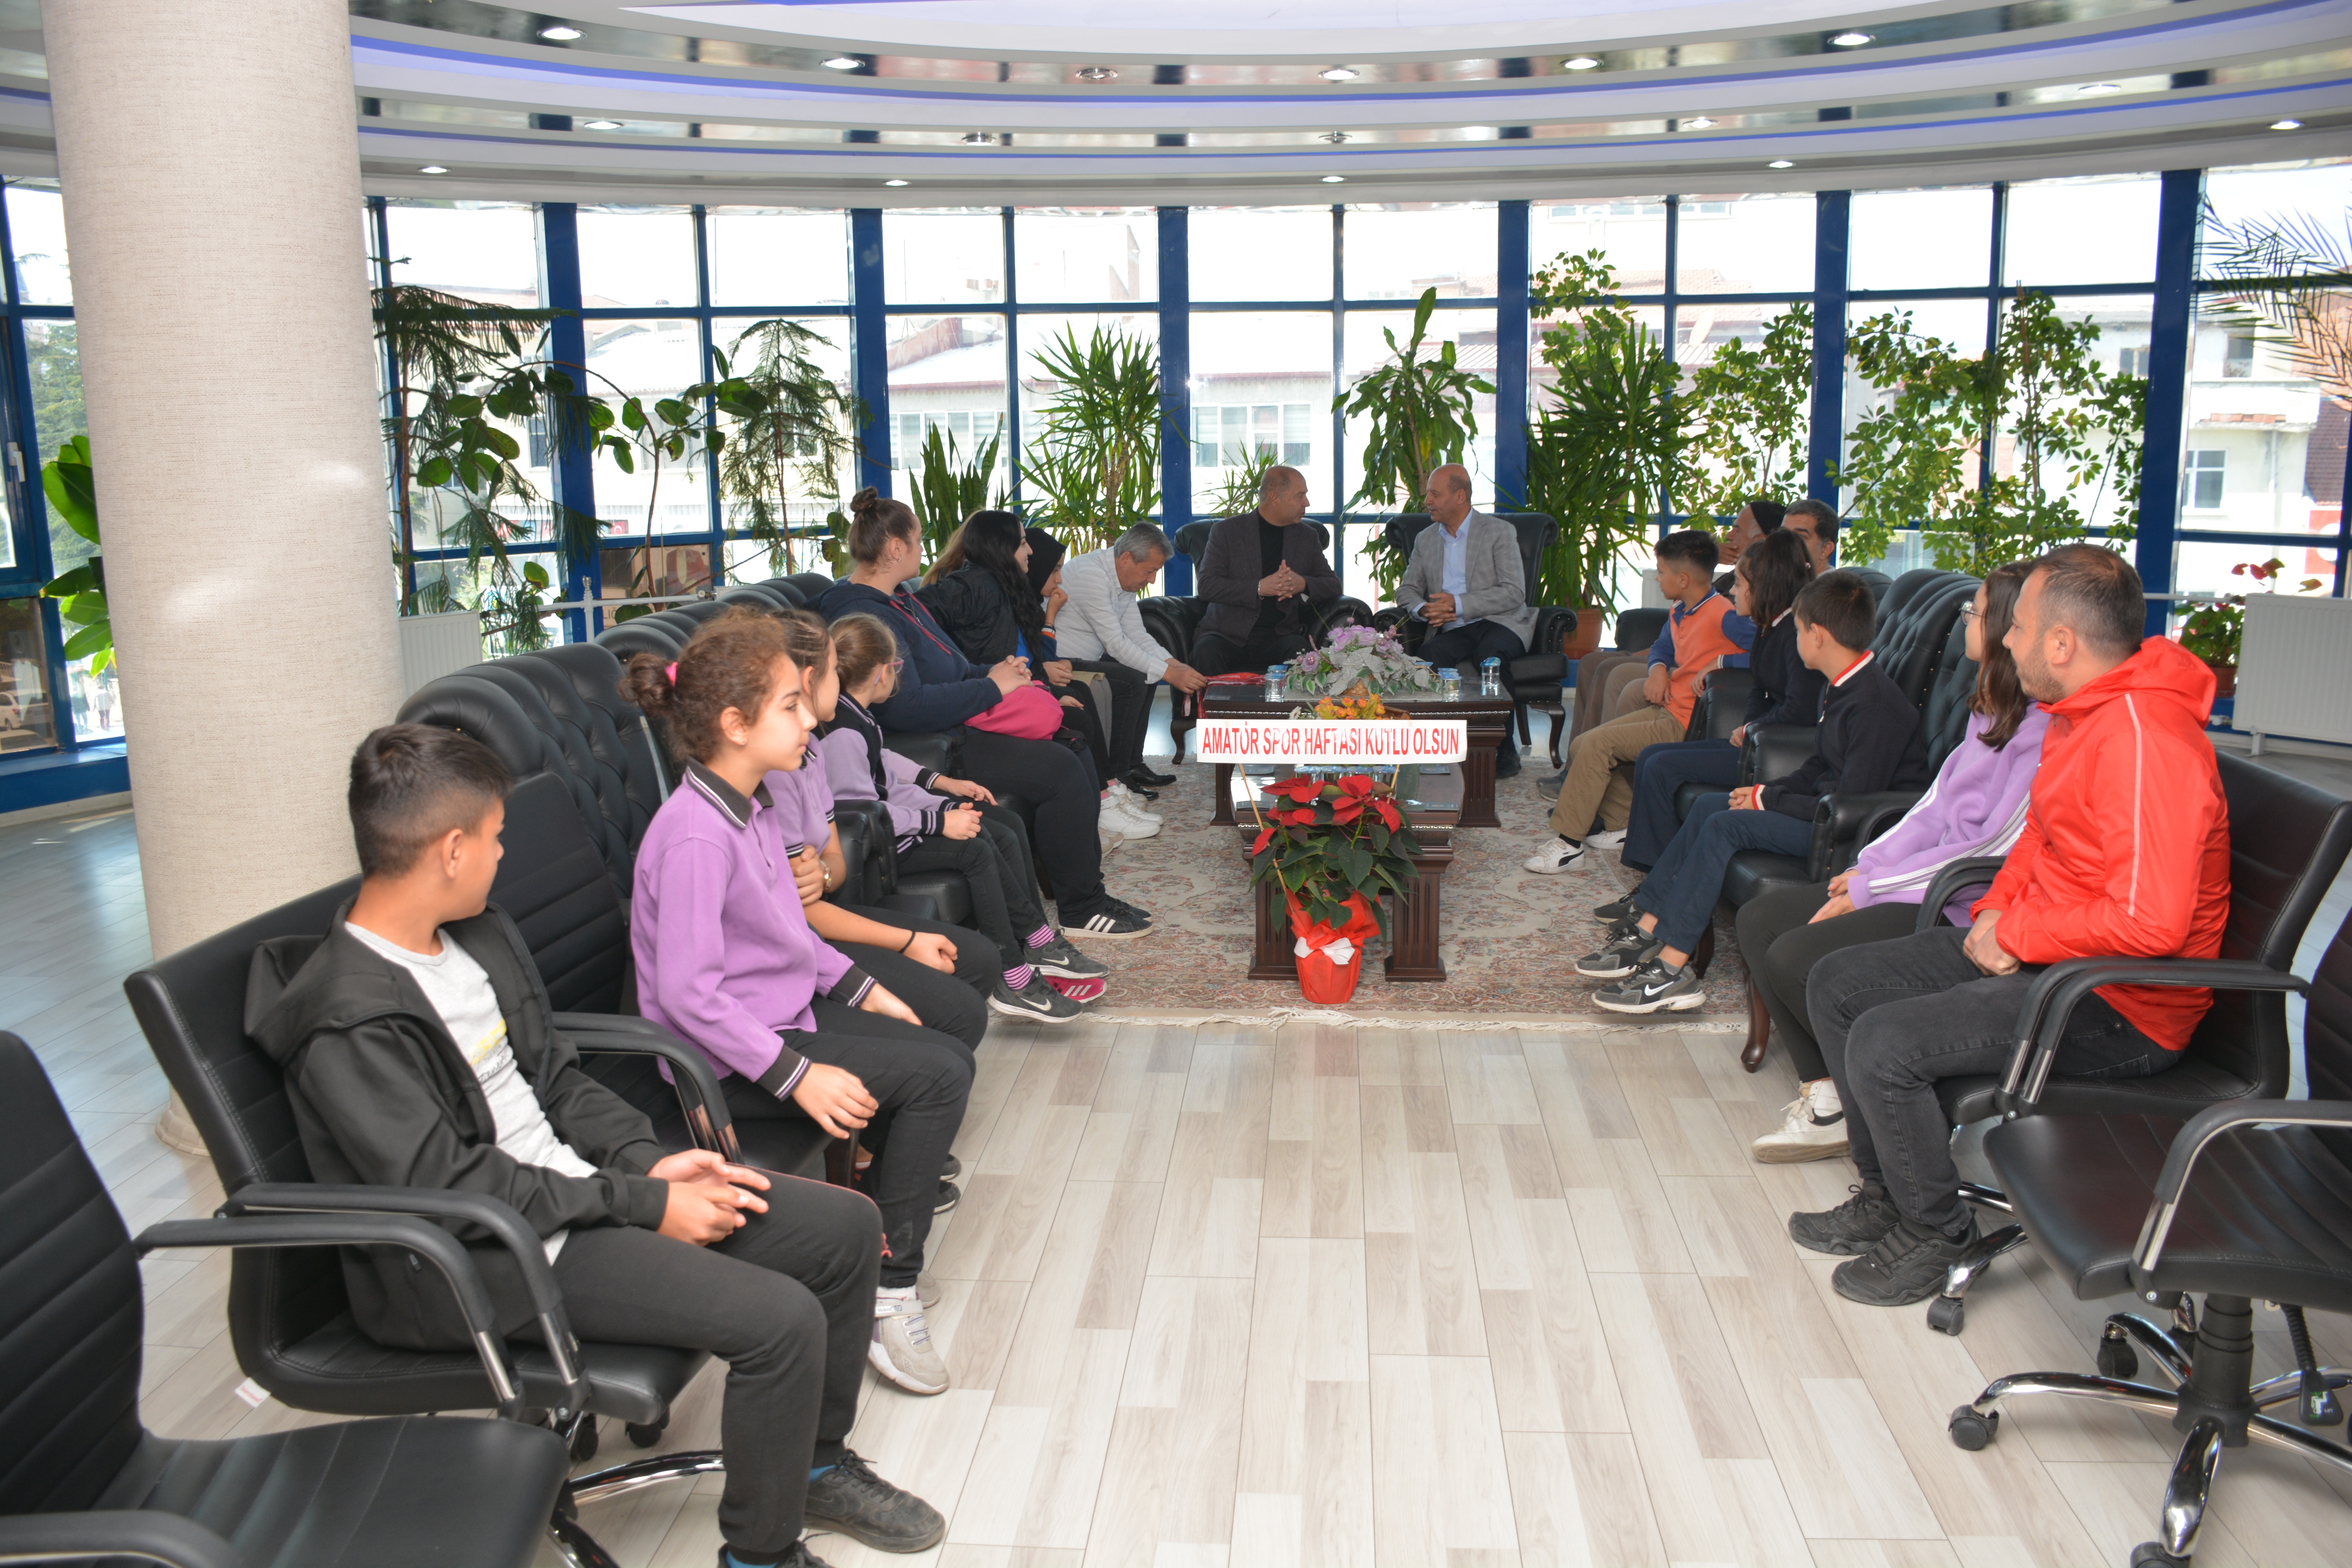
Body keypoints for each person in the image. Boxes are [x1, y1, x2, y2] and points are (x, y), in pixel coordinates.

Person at [250, 723, 945, 1568]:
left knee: (843, 1230)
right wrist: (647, 1204)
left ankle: (816, 1469)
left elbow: (557, 1076)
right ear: (451, 850)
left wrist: (648, 1160)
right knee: (779, 1320)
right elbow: (452, 1184)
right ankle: (762, 1557)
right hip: (474, 1257)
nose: (503, 854)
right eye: (496, 837)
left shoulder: (474, 932)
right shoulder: (347, 1017)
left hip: (570, 1194)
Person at [1788, 545, 2229, 1308]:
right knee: (1836, 982)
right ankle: (1889, 1195)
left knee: (1886, 1042)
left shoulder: (2143, 739)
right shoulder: (2082, 713)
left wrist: (2018, 936)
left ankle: (1936, 1231)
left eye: (2018, 627)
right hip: (2053, 954)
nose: (2008, 641)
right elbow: (2039, 840)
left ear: (2061, 643)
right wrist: (1997, 909)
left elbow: (2149, 923)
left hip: (2120, 1001)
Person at [625, 609, 976, 1397]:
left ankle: (877, 1252)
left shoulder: (746, 806)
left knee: (945, 1049)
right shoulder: (695, 836)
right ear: (735, 725)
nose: (808, 720)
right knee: (940, 1077)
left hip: (778, 1021)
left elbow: (791, 933)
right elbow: (686, 994)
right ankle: (889, 1286)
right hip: (727, 1060)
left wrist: (866, 988)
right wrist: (797, 1075)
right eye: (790, 705)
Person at [1737, 562, 2044, 1163]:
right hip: (1917, 881)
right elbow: (1932, 808)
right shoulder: (1988, 709)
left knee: (1796, 956)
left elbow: (1987, 852)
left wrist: (1873, 887)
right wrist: (1867, 868)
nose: (1969, 620)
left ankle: (1859, 1102)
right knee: (1760, 922)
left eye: (1977, 612)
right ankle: (1828, 1094)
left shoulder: (2043, 731)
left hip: (1958, 902)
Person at [1580, 569, 1932, 1014]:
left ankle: (1672, 971)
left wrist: (1769, 801)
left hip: (1850, 832)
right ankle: (1648, 927)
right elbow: (1820, 766)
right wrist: (1765, 790)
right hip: (1825, 810)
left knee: (1725, 826)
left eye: (1799, 630)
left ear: (1818, 635)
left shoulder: (1875, 705)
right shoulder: (1842, 685)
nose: (1795, 638)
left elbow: (1849, 800)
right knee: (1711, 805)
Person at [813, 490, 1154, 938]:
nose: (923, 548)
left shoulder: (899, 601)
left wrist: (999, 673)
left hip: (957, 723)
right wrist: (992, 686)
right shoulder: (862, 612)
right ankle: (1081, 909)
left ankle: (1087, 893)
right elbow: (904, 706)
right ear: (895, 547)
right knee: (1061, 769)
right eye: (917, 539)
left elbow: (951, 667)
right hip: (930, 744)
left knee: (1072, 741)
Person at [819, 612, 1110, 1025]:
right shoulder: (845, 732)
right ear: (883, 672)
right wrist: (939, 821)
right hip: (881, 847)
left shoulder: (857, 714)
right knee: (976, 848)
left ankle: (1040, 941)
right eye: (898, 667)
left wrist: (942, 789)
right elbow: (866, 813)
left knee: (1002, 827)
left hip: (894, 828)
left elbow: (883, 765)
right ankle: (1013, 977)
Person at [1524, 528, 1749, 873]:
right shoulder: (1681, 608)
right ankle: (1622, 826)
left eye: (1662, 571)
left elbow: (1770, 652)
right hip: (1668, 710)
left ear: (1684, 579)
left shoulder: (1724, 614)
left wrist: (1721, 662)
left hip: (1690, 723)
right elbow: (1662, 647)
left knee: (1598, 746)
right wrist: (1658, 671)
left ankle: (1568, 846)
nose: (1658, 578)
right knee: (1584, 743)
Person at [1612, 529, 1820, 876]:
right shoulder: (1768, 629)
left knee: (1662, 765)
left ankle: (1661, 875)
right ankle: (1653, 870)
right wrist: (1748, 723)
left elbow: (1800, 709)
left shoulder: (1795, 637)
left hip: (1779, 752)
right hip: (1757, 741)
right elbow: (1760, 690)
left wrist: (1754, 729)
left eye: (1738, 584)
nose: (1732, 592)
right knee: (1650, 757)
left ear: (1762, 586)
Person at [914, 511, 1142, 828]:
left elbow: (1032, 658)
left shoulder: (1007, 587)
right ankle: (1102, 805)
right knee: (1076, 719)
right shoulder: (977, 583)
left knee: (1077, 708)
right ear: (1003, 547)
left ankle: (1101, 802)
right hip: (990, 701)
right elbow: (916, 610)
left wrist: (1049, 689)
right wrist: (953, 669)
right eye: (1023, 543)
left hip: (1014, 690)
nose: (1030, 550)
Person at [1396, 463, 1536, 780]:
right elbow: (1407, 589)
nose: (1427, 501)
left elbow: (1514, 592)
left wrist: (1458, 604)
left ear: (1460, 496)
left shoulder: (1499, 532)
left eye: (1435, 494)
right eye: (1428, 494)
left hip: (1500, 621)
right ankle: (1439, 747)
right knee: (1429, 657)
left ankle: (1505, 749)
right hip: (1452, 627)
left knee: (1490, 658)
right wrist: (1424, 610)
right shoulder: (1426, 539)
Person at [1053, 522, 1204, 795]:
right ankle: (1119, 774)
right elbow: (1116, 644)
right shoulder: (1092, 576)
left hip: (1088, 658)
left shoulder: (1122, 577)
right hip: (1061, 663)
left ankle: (1134, 764)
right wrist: (1170, 674)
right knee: (1135, 680)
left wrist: (1174, 665)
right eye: (1150, 571)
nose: (1152, 580)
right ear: (1126, 559)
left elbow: (1136, 634)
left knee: (1147, 673)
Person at [1191, 463, 1342, 677]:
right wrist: (1260, 587)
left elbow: (1333, 585)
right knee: (1206, 652)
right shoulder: (1227, 532)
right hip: (1226, 635)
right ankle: (1215, 702)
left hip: (1280, 636)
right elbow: (1207, 587)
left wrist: (1302, 584)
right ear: (1274, 498)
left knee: (1302, 655)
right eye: (1300, 496)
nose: (1307, 503)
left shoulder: (1307, 537)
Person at [1712, 498, 1786, 598]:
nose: (1729, 536)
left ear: (1759, 541)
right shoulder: (1735, 577)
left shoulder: (1767, 591)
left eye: (1738, 531)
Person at [1781, 498, 1840, 575]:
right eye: (1783, 534)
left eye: (1801, 537)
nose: (1787, 542)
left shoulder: (1836, 584)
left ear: (1825, 549)